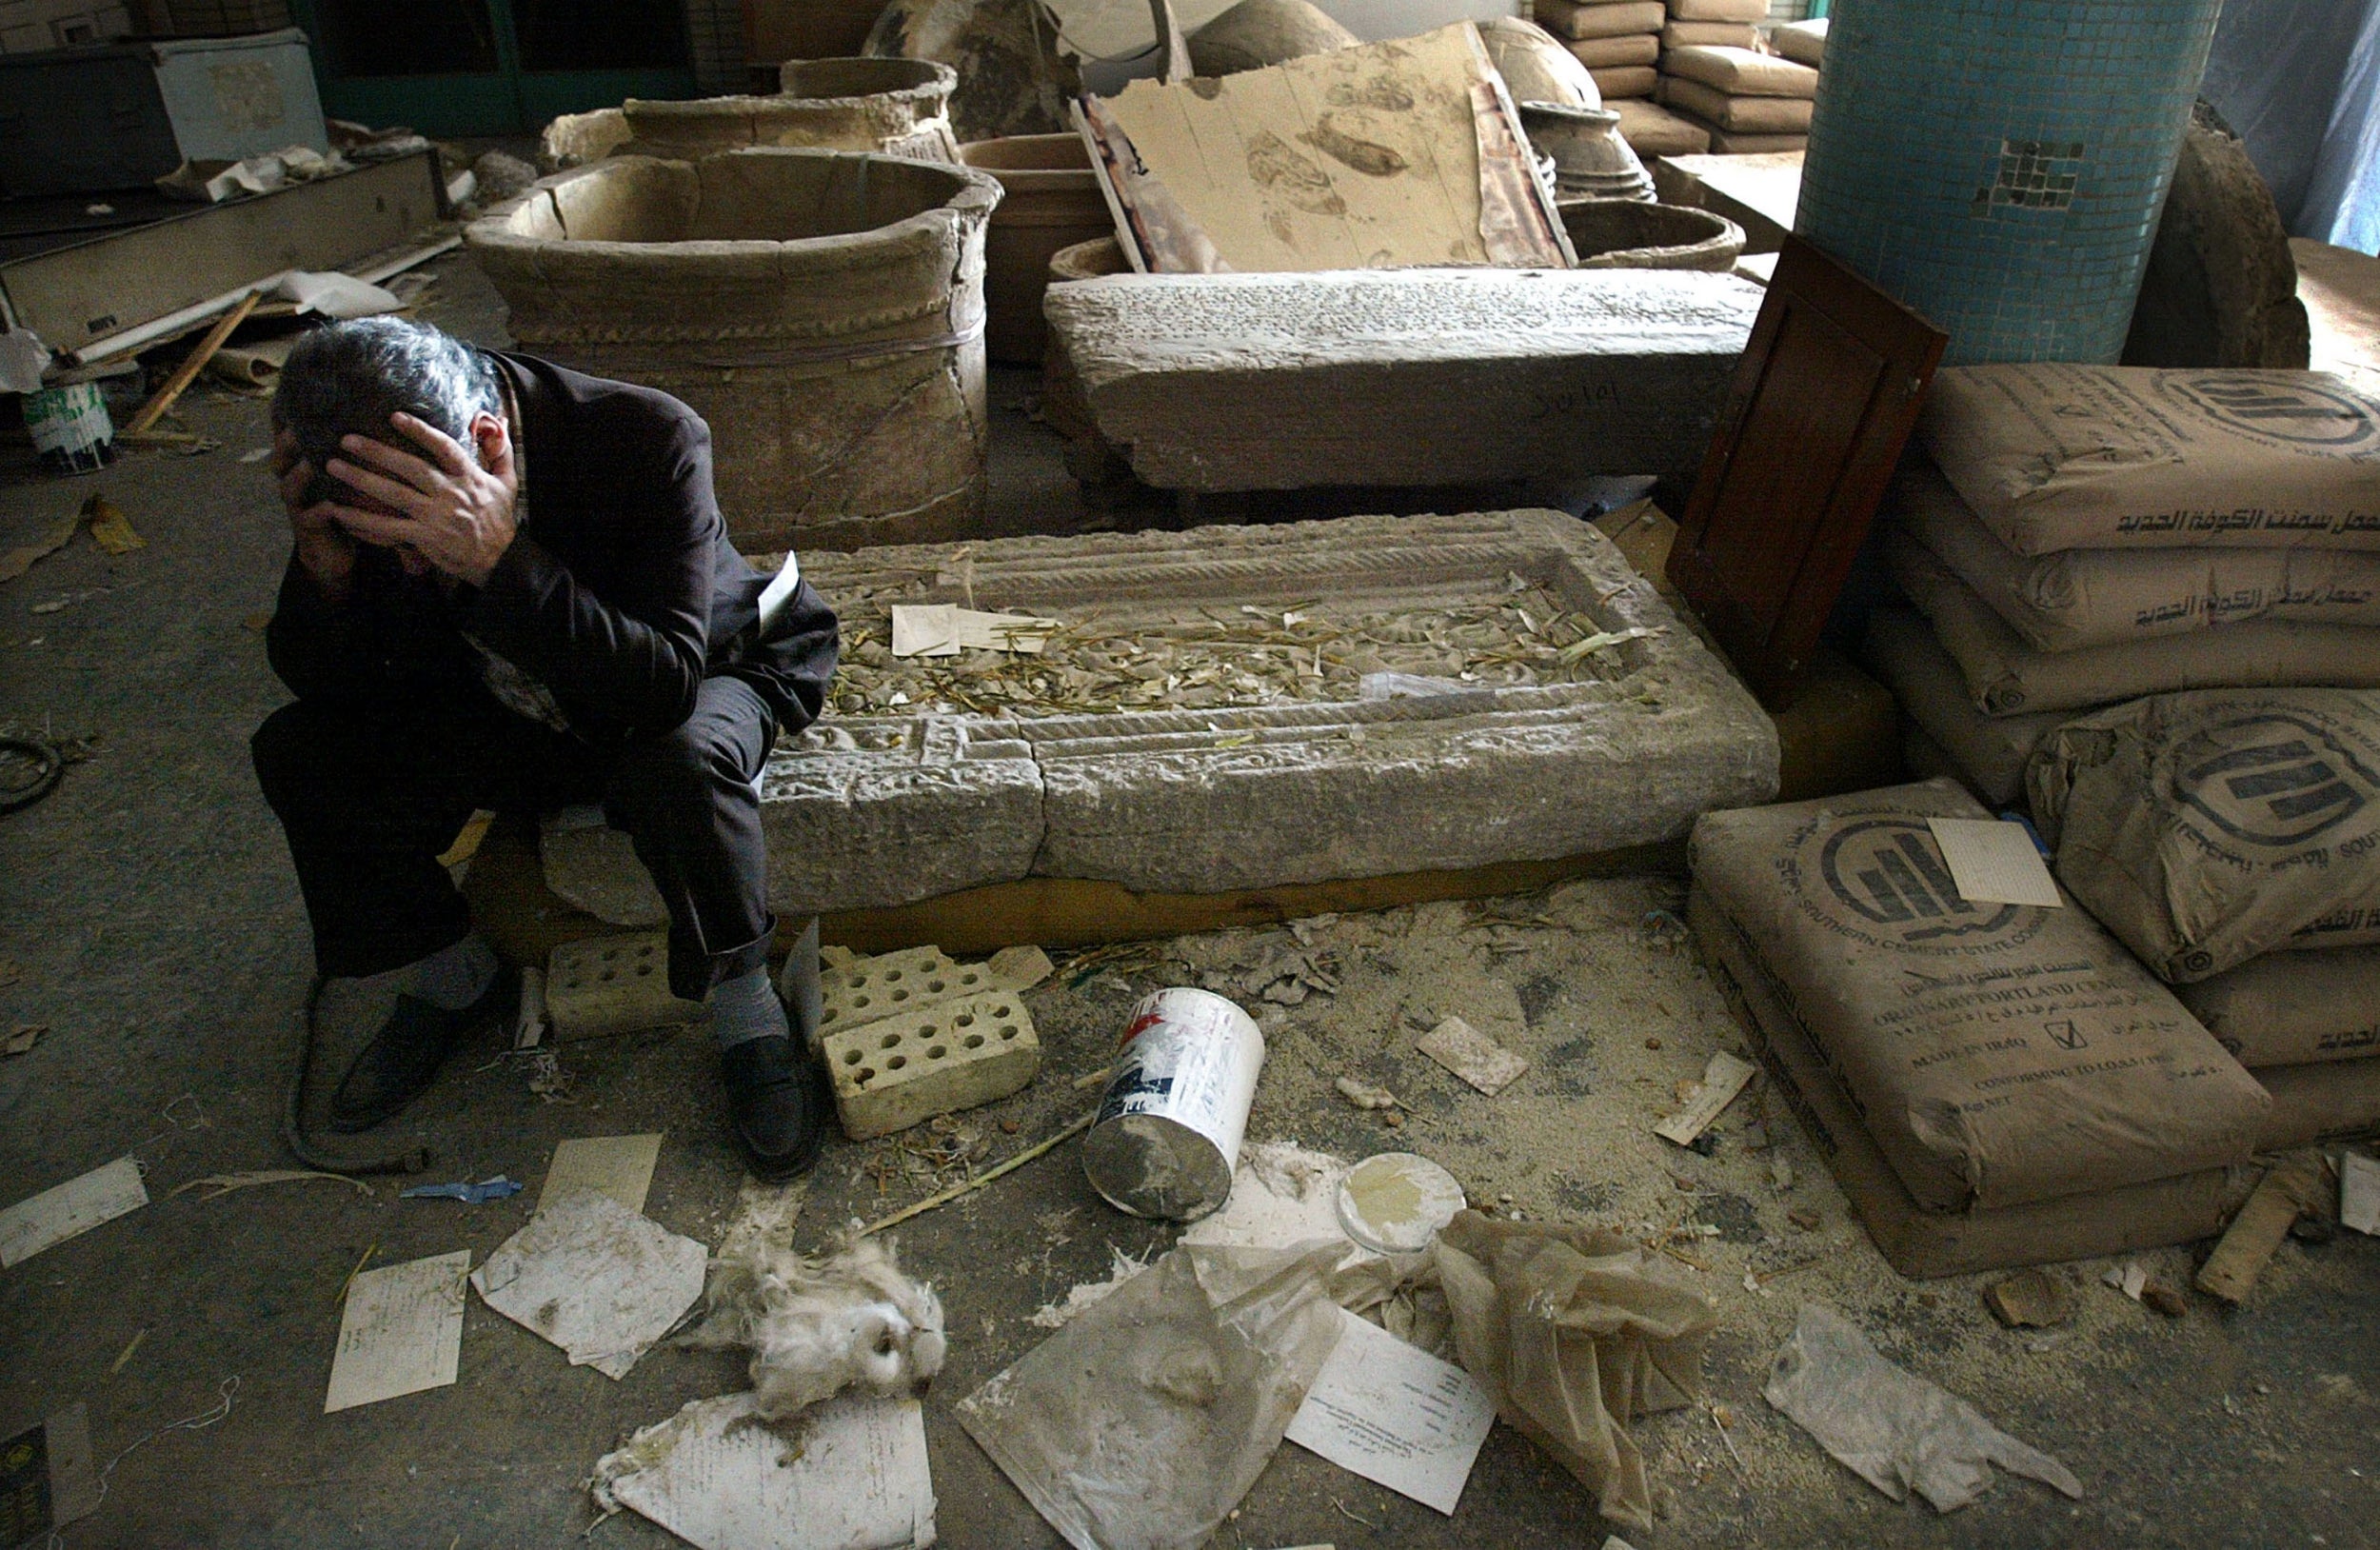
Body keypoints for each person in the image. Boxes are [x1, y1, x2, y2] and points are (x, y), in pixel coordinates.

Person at [250, 317, 841, 1180]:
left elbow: (662, 685)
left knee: (676, 760)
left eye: (415, 540)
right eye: (387, 545)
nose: (406, 569)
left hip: (695, 667)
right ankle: (458, 971)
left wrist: (497, 560)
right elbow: (326, 689)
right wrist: (325, 572)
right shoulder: (364, 466)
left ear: (486, 445)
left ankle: (744, 1000)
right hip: (505, 689)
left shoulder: (644, 435)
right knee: (302, 750)